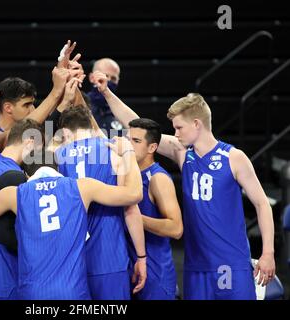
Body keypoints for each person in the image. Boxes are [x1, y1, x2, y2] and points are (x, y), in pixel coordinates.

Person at [90, 74, 276, 300]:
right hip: (195, 264)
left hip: (230, 261)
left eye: (179, 127)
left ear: (196, 124)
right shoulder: (183, 154)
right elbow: (139, 126)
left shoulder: (234, 157)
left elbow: (261, 203)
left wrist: (268, 253)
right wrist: (107, 93)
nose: (176, 133)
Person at [0, 138, 143, 300]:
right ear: (58, 168)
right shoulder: (82, 187)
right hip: (73, 291)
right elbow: (133, 194)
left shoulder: (14, 195)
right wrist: (129, 153)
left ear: (26, 175)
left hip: (32, 293)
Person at [55, 106, 146, 300]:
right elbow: (131, 207)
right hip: (109, 256)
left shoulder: (55, 157)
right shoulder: (113, 151)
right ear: (90, 124)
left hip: (71, 260)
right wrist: (141, 257)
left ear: (65, 132)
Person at [0, 118, 44, 300]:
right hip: (7, 275)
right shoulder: (12, 176)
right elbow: (8, 234)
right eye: (38, 150)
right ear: (29, 142)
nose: (38, 156)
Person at [125, 118, 183, 300]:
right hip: (130, 268)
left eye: (136, 141)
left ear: (152, 148)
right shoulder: (125, 173)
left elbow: (176, 229)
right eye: (127, 139)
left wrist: (133, 218)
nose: (128, 145)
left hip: (155, 273)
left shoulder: (158, 179)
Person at [87, 58, 123, 133]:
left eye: (113, 78)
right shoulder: (79, 105)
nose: (108, 81)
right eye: (105, 76)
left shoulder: (122, 111)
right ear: (91, 77)